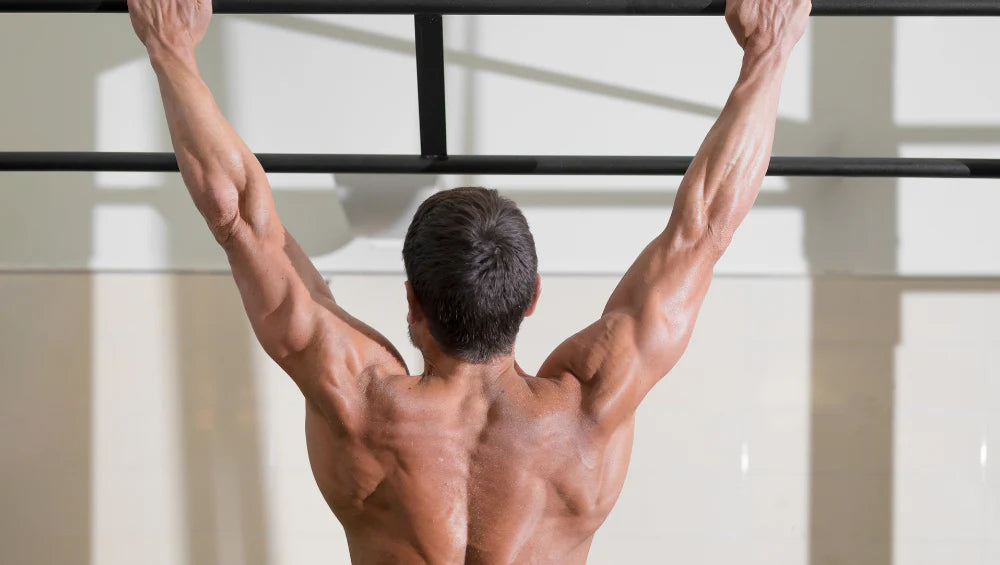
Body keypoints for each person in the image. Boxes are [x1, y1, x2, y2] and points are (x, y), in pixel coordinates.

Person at [126, 0, 811, 562]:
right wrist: (769, 55)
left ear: (412, 302)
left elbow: (240, 216)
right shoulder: (588, 414)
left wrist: (170, 49)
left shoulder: (359, 403)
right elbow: (706, 227)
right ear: (532, 294)